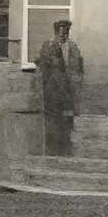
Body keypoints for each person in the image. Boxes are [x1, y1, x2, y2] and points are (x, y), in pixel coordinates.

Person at [34, 16, 85, 156]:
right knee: (53, 119)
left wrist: (77, 81)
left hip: (69, 90)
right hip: (53, 90)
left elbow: (79, 67)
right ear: (56, 32)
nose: (63, 36)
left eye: (66, 33)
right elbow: (42, 66)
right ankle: (52, 149)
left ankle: (66, 148)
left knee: (67, 118)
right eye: (61, 33)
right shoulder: (48, 46)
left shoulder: (73, 47)